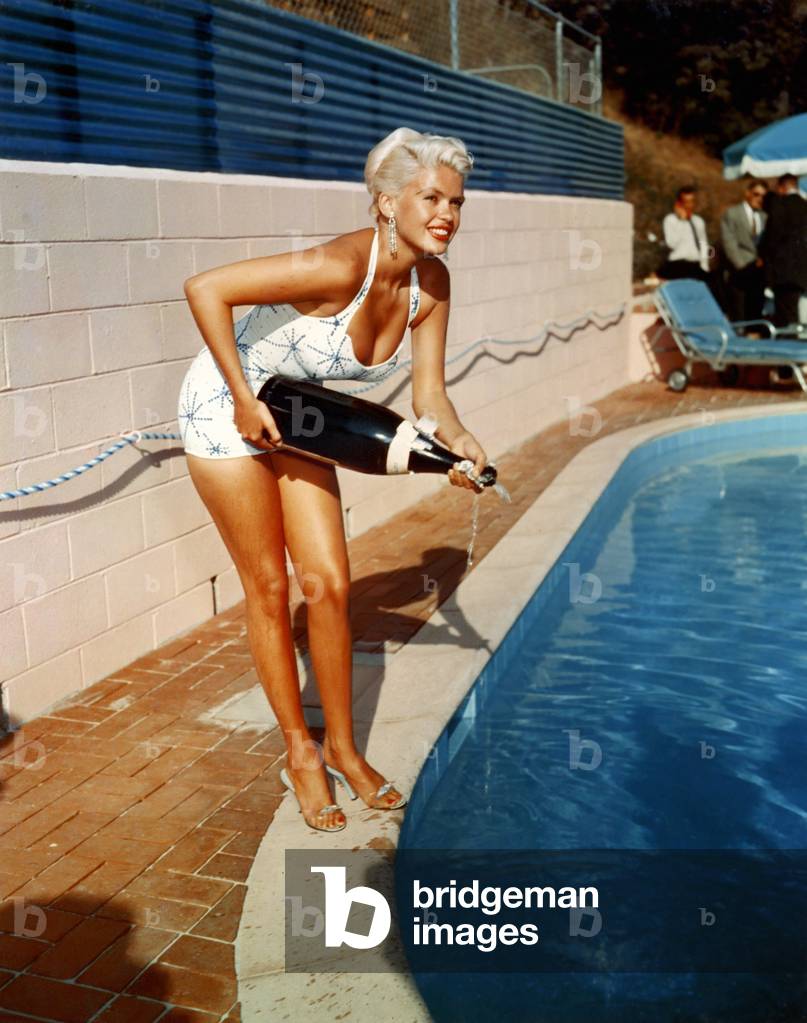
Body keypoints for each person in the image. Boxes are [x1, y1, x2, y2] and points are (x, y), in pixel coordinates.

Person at [177, 127, 488, 833]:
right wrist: (242, 398)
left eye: (456, 202)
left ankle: (343, 748)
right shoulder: (339, 264)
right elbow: (206, 288)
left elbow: (430, 398)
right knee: (268, 587)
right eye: (431, 198)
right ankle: (301, 755)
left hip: (299, 413)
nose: (446, 213)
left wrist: (461, 445)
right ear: (387, 203)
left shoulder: (431, 284)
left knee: (331, 586)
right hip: (227, 407)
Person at [759, 173, 807, 329]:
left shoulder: (780, 205)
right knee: (796, 311)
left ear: (781, 187)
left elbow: (772, 238)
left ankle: (790, 341)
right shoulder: (804, 205)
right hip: (802, 270)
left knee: (786, 316)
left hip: (783, 270)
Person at [719, 179, 768, 324]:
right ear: (748, 193)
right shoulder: (732, 214)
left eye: (763, 196)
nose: (759, 199)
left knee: (755, 313)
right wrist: (742, 267)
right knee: (738, 312)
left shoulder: (764, 216)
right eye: (756, 194)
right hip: (738, 271)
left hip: (758, 272)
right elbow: (729, 242)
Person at [659, 185, 711, 282]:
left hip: (695, 265)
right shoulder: (670, 220)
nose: (689, 205)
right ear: (679, 203)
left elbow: (703, 244)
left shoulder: (698, 221)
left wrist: (705, 266)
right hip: (677, 264)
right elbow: (671, 244)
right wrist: (682, 221)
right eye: (686, 202)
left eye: (692, 201)